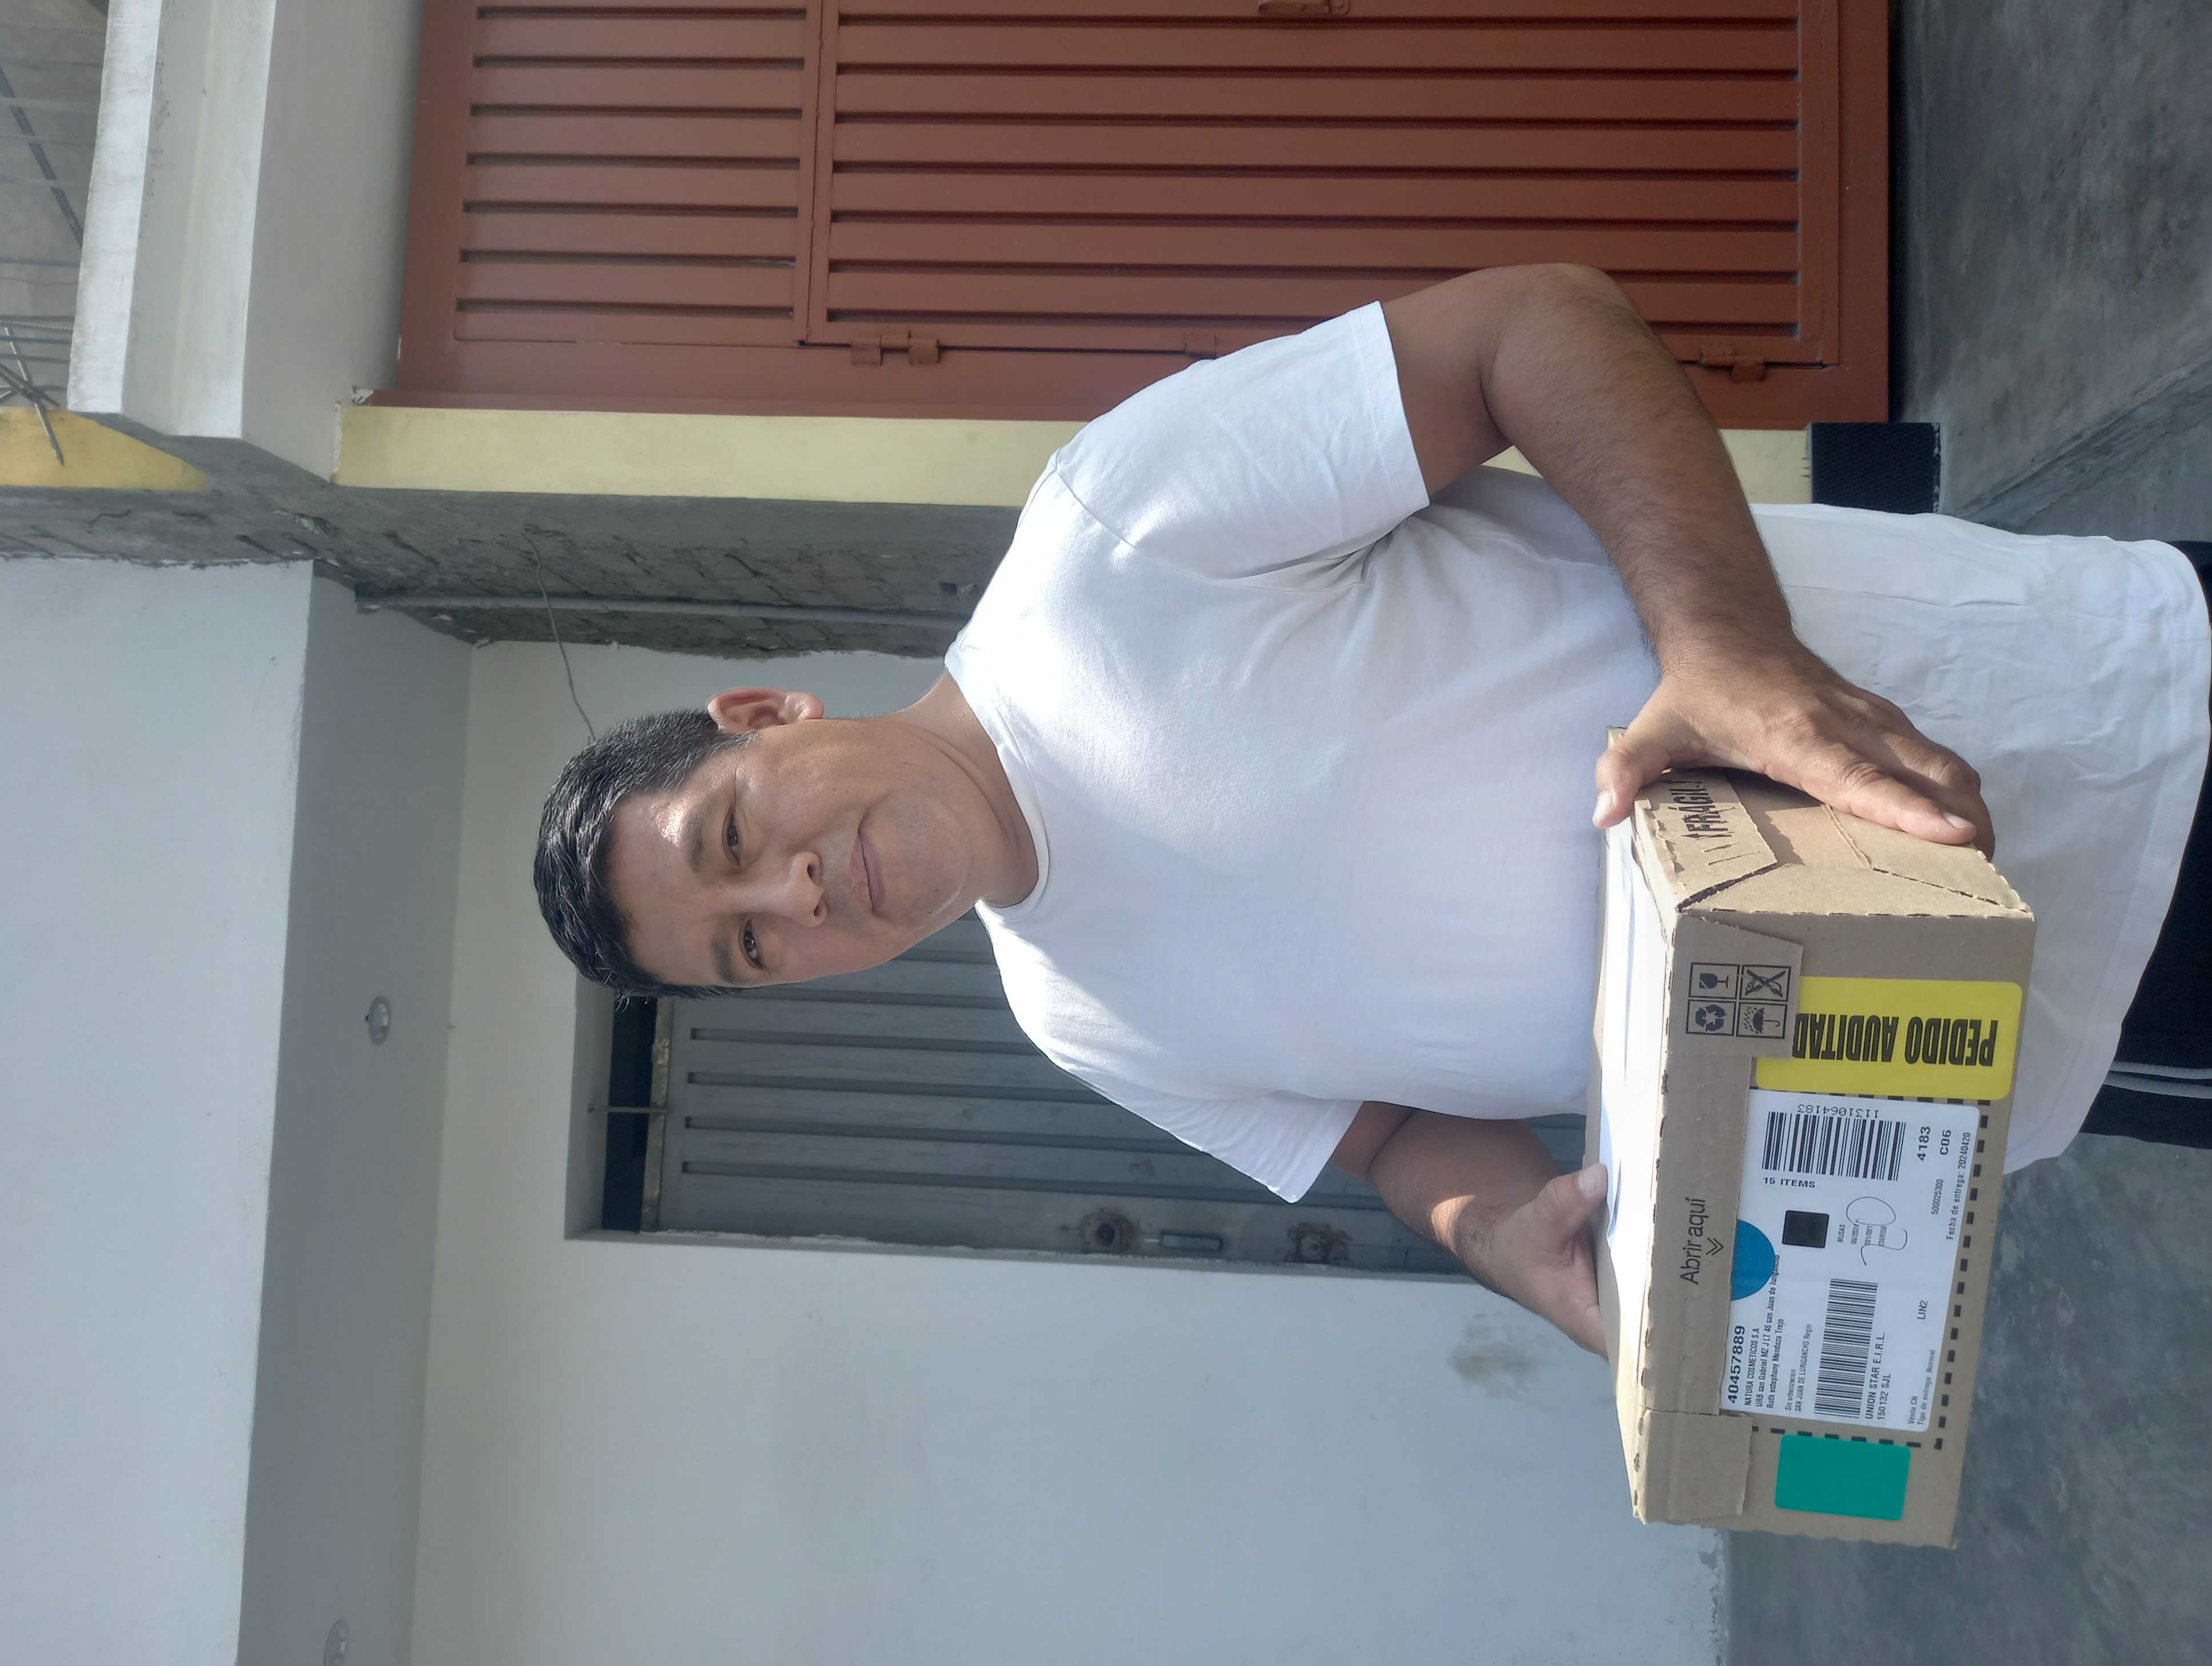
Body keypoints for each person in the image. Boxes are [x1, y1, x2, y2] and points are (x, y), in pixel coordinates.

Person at [533, 264, 2211, 1354]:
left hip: (2104, 720)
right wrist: (1508, 1239)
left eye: (733, 841)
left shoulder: (1111, 542)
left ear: (767, 716)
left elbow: (1533, 327)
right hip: (2004, 1032)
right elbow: (1393, 1139)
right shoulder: (1080, 1021)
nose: (795, 901)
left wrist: (1727, 651)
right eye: (751, 953)